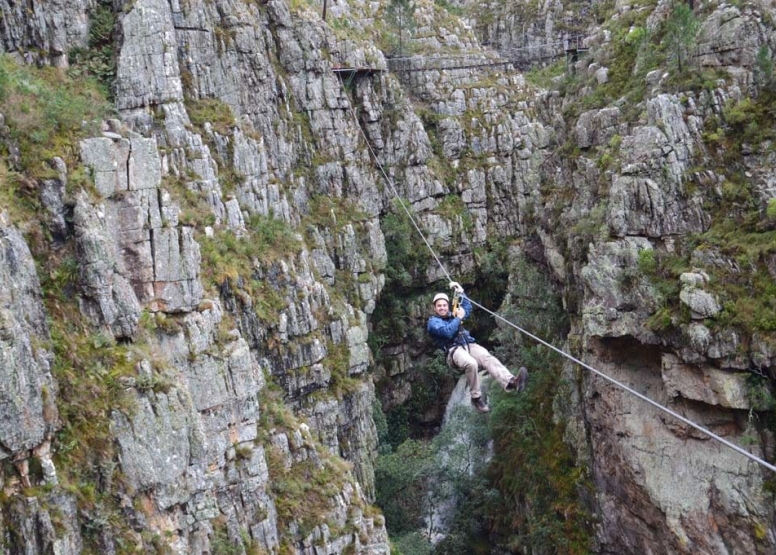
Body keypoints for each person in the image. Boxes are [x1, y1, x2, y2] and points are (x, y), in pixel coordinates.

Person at [427, 282, 528, 413]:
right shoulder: (433, 322)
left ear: (448, 306)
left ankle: (511, 381)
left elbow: (467, 307)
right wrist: (458, 318)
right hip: (453, 351)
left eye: (444, 305)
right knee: (471, 363)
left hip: (468, 344)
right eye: (439, 306)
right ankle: (476, 398)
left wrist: (461, 292)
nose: (442, 308)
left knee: (487, 358)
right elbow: (447, 332)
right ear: (434, 308)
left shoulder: (454, 314)